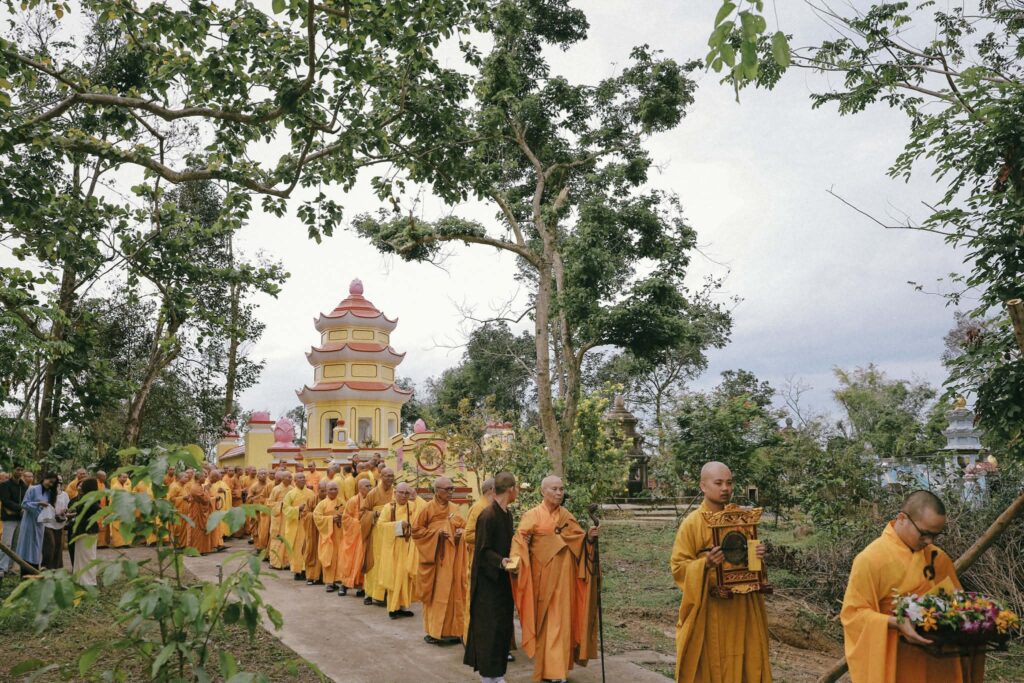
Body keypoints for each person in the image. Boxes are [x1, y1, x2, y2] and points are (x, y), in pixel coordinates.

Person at [841, 490, 984, 683]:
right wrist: (895, 622)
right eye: (924, 533)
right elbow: (853, 614)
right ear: (902, 518)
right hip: (898, 659)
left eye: (935, 535)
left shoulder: (938, 557)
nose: (929, 541)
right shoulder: (870, 560)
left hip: (939, 660)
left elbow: (955, 600)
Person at [671, 461, 771, 683]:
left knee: (747, 657)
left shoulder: (741, 519)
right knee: (711, 661)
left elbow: (752, 568)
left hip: (743, 606)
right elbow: (678, 567)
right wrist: (704, 564)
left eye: (729, 483)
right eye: (718, 483)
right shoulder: (692, 524)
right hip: (711, 607)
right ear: (703, 486)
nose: (725, 488)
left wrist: (757, 556)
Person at [510, 475, 599, 683]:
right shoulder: (532, 515)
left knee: (563, 622)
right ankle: (548, 670)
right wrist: (515, 562)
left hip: (565, 580)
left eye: (561, 489)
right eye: (554, 489)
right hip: (542, 579)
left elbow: (580, 541)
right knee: (546, 623)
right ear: (543, 492)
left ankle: (559, 672)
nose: (559, 493)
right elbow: (519, 541)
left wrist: (590, 537)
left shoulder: (566, 516)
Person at [464, 472, 518, 683]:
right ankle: (487, 676)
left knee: (502, 626)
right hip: (488, 581)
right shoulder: (487, 515)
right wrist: (501, 562)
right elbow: (483, 551)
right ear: (512, 489)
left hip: (503, 579)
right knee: (489, 627)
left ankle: (498, 673)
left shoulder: (507, 514)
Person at [412, 476, 467, 645]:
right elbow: (416, 531)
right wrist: (436, 535)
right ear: (437, 491)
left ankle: (454, 630)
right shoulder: (427, 509)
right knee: (436, 595)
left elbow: (464, 526)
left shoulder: (455, 508)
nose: (451, 492)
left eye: (453, 489)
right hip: (435, 560)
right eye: (448, 489)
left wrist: (460, 533)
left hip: (454, 559)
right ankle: (435, 632)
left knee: (454, 593)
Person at [379, 482, 426, 618]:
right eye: (401, 492)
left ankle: (402, 606)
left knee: (406, 576)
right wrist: (399, 524)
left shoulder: (412, 506)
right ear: (395, 493)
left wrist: (415, 496)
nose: (404, 495)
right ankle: (392, 609)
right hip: (394, 547)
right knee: (395, 577)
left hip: (408, 546)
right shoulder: (389, 508)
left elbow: (424, 509)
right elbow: (381, 526)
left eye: (407, 493)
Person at [463, 478, 495, 640]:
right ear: (491, 489)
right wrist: (491, 538)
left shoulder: (494, 507)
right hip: (480, 562)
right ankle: (473, 639)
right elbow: (467, 535)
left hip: (494, 563)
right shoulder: (478, 508)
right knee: (479, 602)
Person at [360, 466, 395, 606]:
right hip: (375, 533)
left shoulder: (396, 493)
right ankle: (369, 593)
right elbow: (363, 513)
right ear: (381, 477)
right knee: (374, 563)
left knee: (388, 563)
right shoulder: (373, 493)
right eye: (387, 476)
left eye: (392, 476)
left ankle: (385, 594)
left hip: (390, 532)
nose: (390, 479)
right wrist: (374, 514)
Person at [339, 477, 372, 597]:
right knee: (349, 562)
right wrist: (359, 523)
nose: (370, 488)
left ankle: (362, 587)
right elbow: (345, 518)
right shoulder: (353, 501)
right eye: (367, 486)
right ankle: (344, 585)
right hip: (353, 538)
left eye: (370, 486)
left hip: (366, 536)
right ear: (360, 488)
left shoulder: (371, 500)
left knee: (363, 562)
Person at [16, 471, 56, 569]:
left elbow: (49, 510)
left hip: (39, 525)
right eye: (49, 481)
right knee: (27, 546)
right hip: (29, 522)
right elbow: (24, 504)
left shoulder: (49, 493)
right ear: (44, 478)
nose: (50, 484)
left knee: (36, 547)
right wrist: (38, 504)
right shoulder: (32, 489)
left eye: (52, 483)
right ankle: (24, 572)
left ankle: (34, 570)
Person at [313, 481, 346, 592]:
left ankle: (339, 580)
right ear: (326, 491)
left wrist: (342, 518)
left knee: (340, 557)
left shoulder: (342, 502)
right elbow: (316, 518)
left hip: (340, 536)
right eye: (330, 489)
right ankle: (329, 582)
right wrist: (331, 519)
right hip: (327, 536)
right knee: (328, 558)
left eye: (335, 489)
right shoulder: (322, 504)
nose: (333, 491)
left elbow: (348, 516)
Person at [283, 471, 317, 580]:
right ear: (295, 481)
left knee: (307, 546)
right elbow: (285, 509)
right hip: (296, 526)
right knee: (297, 548)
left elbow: (315, 507)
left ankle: (305, 569)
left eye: (303, 478)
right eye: (300, 478)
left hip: (308, 524)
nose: (303, 479)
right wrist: (298, 509)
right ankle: (297, 570)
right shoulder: (290, 494)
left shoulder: (311, 493)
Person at [0, 467, 29, 578]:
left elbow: (26, 500)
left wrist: (23, 509)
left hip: (21, 519)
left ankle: (10, 567)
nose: (20, 472)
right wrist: (20, 508)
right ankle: (2, 567)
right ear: (12, 470)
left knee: (16, 544)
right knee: (6, 543)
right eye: (17, 469)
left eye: (22, 470)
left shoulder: (24, 486)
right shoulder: (5, 485)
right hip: (8, 519)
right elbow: (5, 500)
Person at [71, 477, 101, 586]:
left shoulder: (91, 499)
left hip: (88, 531)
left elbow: (98, 509)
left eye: (83, 485)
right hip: (82, 530)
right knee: (80, 556)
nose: (80, 486)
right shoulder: (85, 497)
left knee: (87, 557)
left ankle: (89, 582)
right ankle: (79, 580)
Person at [41, 477, 70, 569]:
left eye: (60, 481)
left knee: (58, 546)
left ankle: (57, 568)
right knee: (50, 545)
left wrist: (63, 512)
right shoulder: (47, 493)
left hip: (59, 522)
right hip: (48, 523)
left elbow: (67, 507)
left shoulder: (65, 495)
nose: (58, 483)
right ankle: (46, 568)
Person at [305, 480, 329, 585]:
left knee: (326, 553)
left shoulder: (331, 502)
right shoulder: (311, 500)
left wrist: (325, 519)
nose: (324, 493)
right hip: (313, 532)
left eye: (326, 491)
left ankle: (324, 577)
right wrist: (315, 517)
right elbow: (305, 515)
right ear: (318, 490)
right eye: (322, 491)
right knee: (312, 552)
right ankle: (312, 576)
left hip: (326, 532)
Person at [268, 470, 293, 568]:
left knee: (288, 538)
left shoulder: (292, 489)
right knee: (277, 539)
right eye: (289, 477)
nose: (291, 479)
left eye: (291, 477)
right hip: (279, 518)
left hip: (288, 517)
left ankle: (287, 562)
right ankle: (275, 562)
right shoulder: (276, 489)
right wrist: (280, 504)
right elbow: (269, 503)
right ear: (283, 479)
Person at [187, 470, 215, 555]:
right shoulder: (195, 488)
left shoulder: (199, 486)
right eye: (203, 477)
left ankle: (202, 549)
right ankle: (196, 550)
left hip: (200, 512)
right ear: (199, 478)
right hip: (196, 513)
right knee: (196, 531)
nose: (205, 478)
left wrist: (205, 489)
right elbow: (205, 500)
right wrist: (206, 490)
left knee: (201, 531)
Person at [248, 469, 273, 549]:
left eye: (265, 473)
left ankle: (266, 546)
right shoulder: (254, 486)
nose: (263, 475)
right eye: (261, 474)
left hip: (267, 511)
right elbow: (249, 499)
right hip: (257, 511)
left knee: (266, 529)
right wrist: (260, 498)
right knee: (257, 529)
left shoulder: (269, 485)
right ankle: (258, 546)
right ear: (258, 476)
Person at [109, 472, 133, 548]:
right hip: (117, 509)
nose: (125, 479)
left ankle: (126, 542)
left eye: (126, 477)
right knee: (117, 526)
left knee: (126, 526)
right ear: (118, 478)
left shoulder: (126, 487)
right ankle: (118, 544)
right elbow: (113, 500)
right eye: (123, 477)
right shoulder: (115, 487)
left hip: (126, 509)